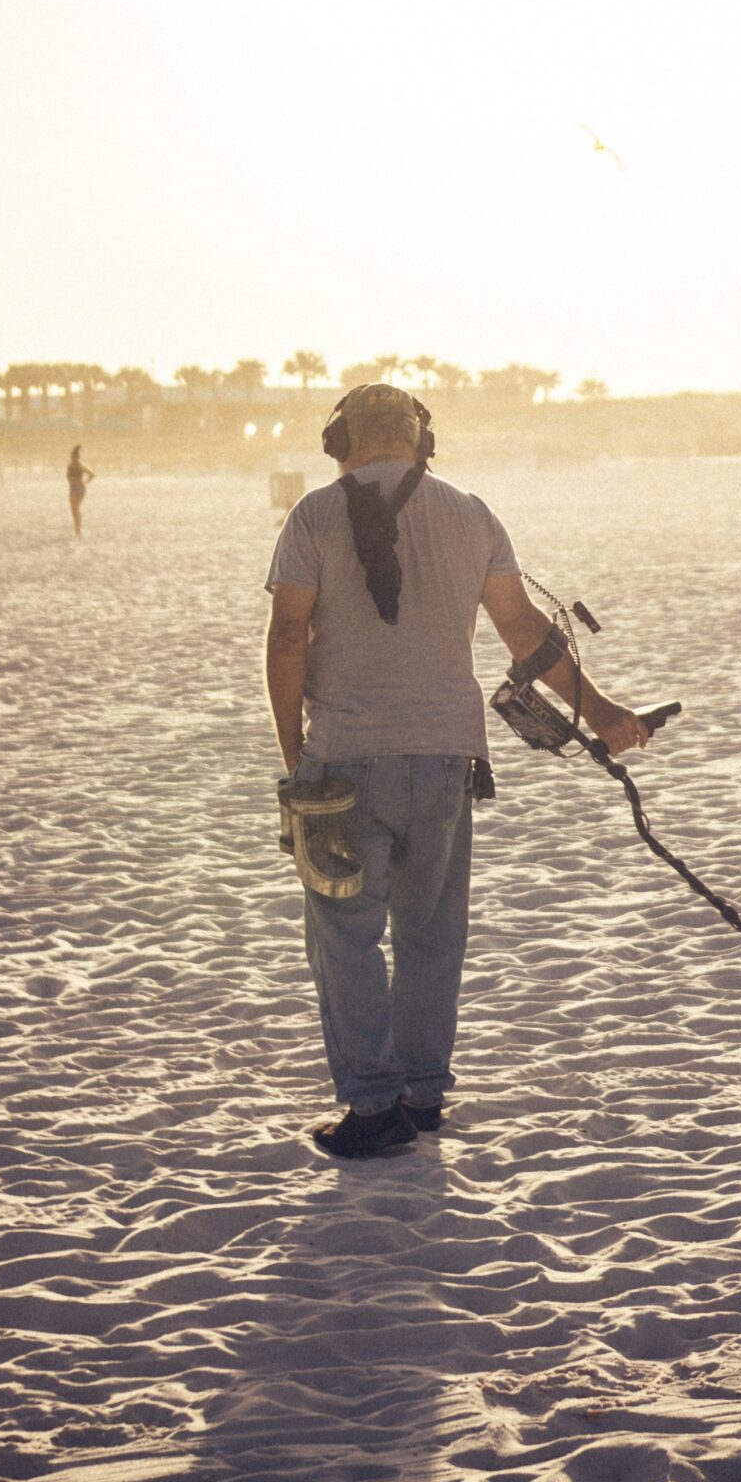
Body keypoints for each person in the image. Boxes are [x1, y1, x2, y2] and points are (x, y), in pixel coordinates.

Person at [264, 381, 649, 1160]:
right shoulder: (469, 512)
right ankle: (422, 1093)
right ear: (422, 441)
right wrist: (602, 710)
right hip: (445, 760)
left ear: (340, 443)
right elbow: (523, 631)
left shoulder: (312, 514)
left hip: (342, 759)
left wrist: (291, 751)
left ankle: (374, 1107)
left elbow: (287, 636)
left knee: (344, 938)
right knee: (431, 932)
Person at [66, 445, 94, 537]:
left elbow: (92, 474)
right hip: (72, 488)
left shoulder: (79, 465)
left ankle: (78, 530)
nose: (73, 458)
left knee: (76, 508)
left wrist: (84, 483)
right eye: (72, 457)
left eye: (74, 457)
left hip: (79, 489)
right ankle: (77, 529)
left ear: (77, 457)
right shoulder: (70, 465)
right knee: (73, 509)